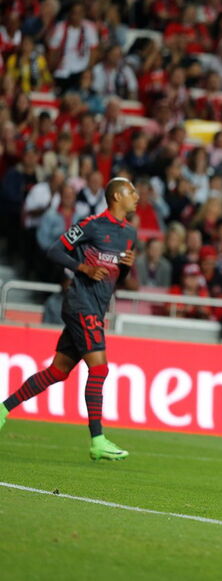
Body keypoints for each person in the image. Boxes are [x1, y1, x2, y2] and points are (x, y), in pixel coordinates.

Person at [0, 178, 139, 461]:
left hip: (97, 306)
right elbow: (54, 250)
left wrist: (125, 269)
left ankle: (3, 409)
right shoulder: (91, 225)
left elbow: (117, 279)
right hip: (80, 303)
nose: (136, 196)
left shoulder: (130, 234)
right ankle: (97, 440)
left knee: (58, 371)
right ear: (116, 197)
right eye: (131, 191)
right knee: (99, 370)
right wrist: (83, 267)